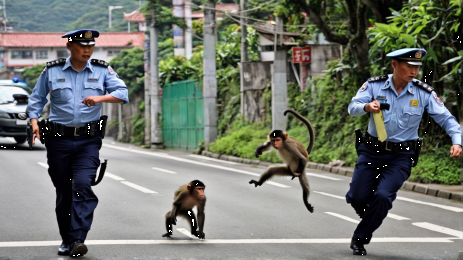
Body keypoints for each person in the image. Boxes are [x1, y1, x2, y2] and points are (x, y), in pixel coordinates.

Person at [346, 48, 462, 255]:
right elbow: (352, 106)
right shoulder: (374, 85)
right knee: (356, 197)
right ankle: (372, 215)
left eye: (417, 67)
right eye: (409, 66)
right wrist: (366, 107)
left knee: (382, 197)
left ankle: (360, 237)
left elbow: (446, 118)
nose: (414, 71)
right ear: (394, 65)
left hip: (401, 156)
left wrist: (457, 141)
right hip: (372, 151)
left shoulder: (423, 92)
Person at [26, 29, 129, 257]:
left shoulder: (102, 70)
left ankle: (78, 239)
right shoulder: (52, 71)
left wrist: (101, 97)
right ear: (70, 46)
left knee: (82, 185)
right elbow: (36, 98)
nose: (87, 50)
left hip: (88, 141)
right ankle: (67, 240)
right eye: (82, 46)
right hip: (58, 141)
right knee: (64, 192)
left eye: (90, 46)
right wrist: (34, 122)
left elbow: (122, 93)